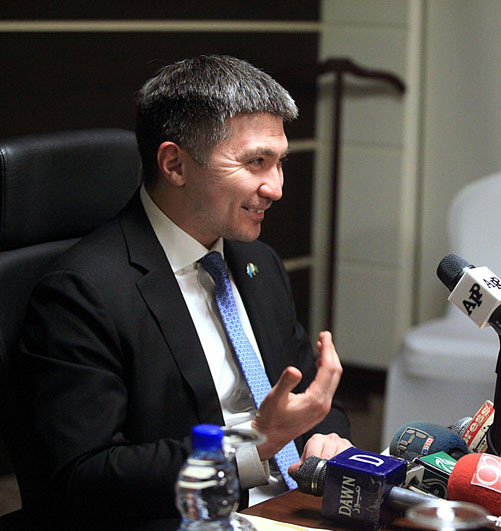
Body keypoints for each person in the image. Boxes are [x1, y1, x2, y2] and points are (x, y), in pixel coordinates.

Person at [17, 55, 352, 528]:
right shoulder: (82, 294)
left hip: (289, 508)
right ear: (175, 163)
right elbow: (84, 477)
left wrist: (327, 437)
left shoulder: (257, 262)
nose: (275, 188)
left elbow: (306, 402)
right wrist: (256, 443)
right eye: (256, 162)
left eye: (279, 163)